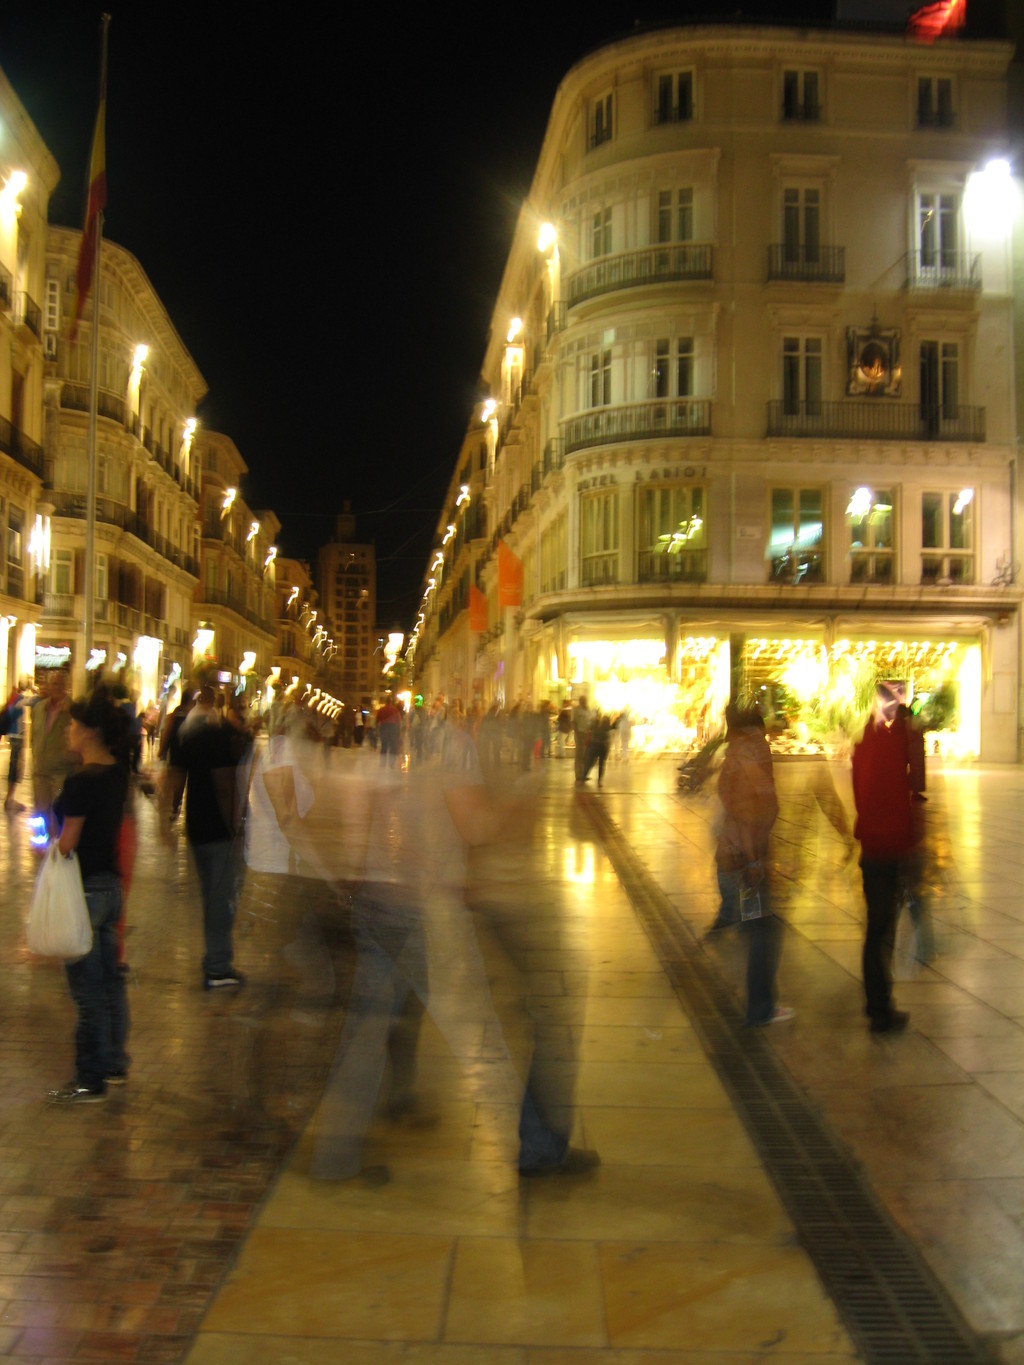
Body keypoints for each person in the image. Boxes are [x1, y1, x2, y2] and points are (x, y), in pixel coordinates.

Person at [48, 687, 131, 1103]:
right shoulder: (117, 771)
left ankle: (89, 1077)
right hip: (111, 887)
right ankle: (115, 1062)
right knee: (110, 981)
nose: (69, 731)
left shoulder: (81, 782)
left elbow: (68, 842)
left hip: (85, 891)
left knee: (87, 991)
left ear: (88, 731)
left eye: (73, 725)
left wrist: (51, 846)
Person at [163, 685, 249, 990]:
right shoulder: (220, 740)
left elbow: (176, 780)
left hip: (196, 828)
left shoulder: (187, 737)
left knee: (210, 896)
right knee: (221, 899)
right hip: (218, 832)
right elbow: (225, 787)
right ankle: (217, 967)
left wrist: (171, 815)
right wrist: (235, 827)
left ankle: (214, 959)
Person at [714, 702, 790, 1026]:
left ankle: (760, 1003)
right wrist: (755, 860)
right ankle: (761, 1008)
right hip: (747, 856)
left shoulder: (735, 754)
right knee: (765, 931)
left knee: (759, 925)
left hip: (733, 854)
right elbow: (749, 811)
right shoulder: (752, 754)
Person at [851, 685, 916, 1033]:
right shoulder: (887, 745)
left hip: (873, 847)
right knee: (881, 931)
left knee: (877, 930)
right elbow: (899, 796)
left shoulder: (865, 745)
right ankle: (879, 1008)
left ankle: (876, 1001)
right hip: (887, 849)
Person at [31, 669, 73, 832]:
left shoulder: (72, 710)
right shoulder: (39, 708)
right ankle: (44, 842)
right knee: (41, 813)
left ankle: (58, 842)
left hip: (61, 774)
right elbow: (34, 735)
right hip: (40, 771)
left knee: (58, 812)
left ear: (66, 686)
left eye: (60, 684)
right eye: (53, 683)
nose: (56, 687)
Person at [4, 680, 29, 810]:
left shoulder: (13, 699)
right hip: (17, 736)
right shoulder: (20, 700)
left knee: (14, 765)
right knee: (15, 766)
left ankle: (10, 798)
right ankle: (10, 798)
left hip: (13, 735)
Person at [572, 695, 591, 783]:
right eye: (583, 700)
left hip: (586, 734)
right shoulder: (576, 710)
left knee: (585, 754)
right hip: (579, 733)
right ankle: (578, 774)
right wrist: (576, 732)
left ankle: (583, 774)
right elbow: (573, 722)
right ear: (580, 701)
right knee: (579, 754)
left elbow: (589, 722)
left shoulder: (587, 710)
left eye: (585, 700)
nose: (584, 702)